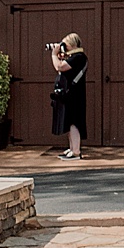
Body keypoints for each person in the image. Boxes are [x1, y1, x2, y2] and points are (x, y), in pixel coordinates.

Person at [48, 32, 89, 160]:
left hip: (74, 95)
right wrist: (61, 55)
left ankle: (76, 151)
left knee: (74, 122)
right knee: (69, 121)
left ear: (72, 44)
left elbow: (60, 67)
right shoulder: (74, 57)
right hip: (70, 94)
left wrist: (54, 55)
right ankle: (72, 148)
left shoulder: (79, 57)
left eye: (65, 44)